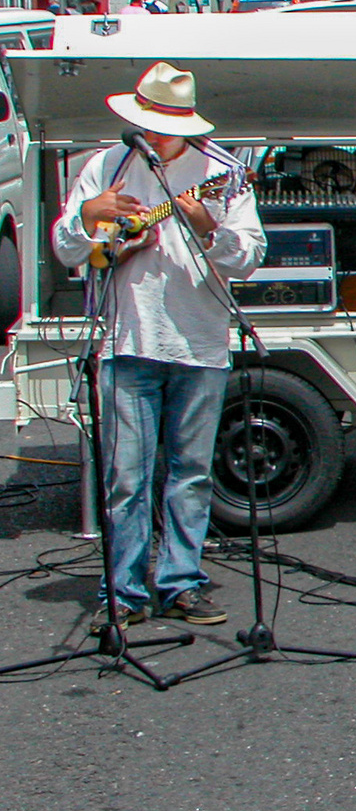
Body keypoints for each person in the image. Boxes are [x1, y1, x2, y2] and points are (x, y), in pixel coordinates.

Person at [53, 62, 266, 631]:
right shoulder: (106, 165)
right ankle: (123, 590)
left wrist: (207, 230)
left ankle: (179, 582)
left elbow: (249, 256)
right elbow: (70, 250)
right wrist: (86, 217)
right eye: (146, 124)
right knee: (126, 477)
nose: (153, 135)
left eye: (163, 125)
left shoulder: (222, 172)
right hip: (127, 339)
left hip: (199, 343)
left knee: (190, 474)